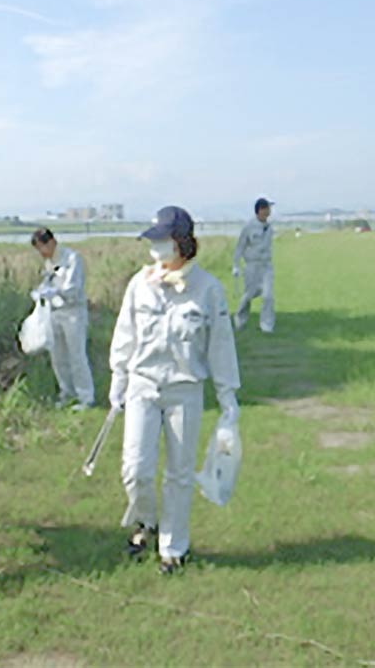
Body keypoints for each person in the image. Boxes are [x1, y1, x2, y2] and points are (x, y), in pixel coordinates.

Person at [108, 206, 240, 574]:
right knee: (135, 468)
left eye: (163, 239)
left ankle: (173, 546)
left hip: (184, 390)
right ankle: (146, 520)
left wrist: (228, 396)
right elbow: (125, 334)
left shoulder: (207, 290)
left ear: (182, 242)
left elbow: (220, 345)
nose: (156, 247)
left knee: (180, 473)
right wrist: (118, 379)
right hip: (143, 386)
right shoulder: (140, 283)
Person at [30, 228, 95, 410]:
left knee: (76, 355)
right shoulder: (49, 262)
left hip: (73, 313)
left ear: (50, 242)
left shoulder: (72, 258)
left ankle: (85, 397)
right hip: (54, 312)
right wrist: (41, 292)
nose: (42, 253)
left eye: (42, 248)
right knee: (58, 356)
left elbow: (73, 289)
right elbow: (49, 281)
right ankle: (67, 393)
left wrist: (57, 292)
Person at [232, 197, 275, 333]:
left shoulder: (269, 228)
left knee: (268, 296)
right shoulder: (249, 227)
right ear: (260, 210)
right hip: (252, 266)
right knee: (249, 295)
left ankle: (266, 325)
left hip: (266, 266)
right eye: (267, 208)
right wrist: (236, 265)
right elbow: (240, 247)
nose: (269, 211)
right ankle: (240, 319)